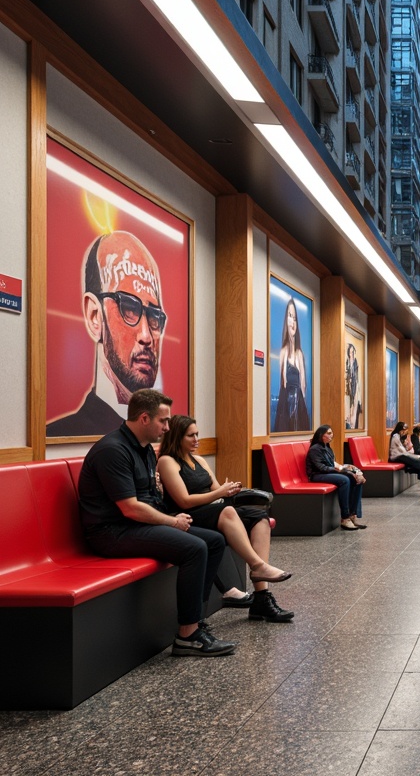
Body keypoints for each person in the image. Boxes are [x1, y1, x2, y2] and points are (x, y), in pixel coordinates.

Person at [77, 389, 235, 657]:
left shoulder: (146, 451)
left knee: (215, 540)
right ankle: (188, 636)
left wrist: (171, 515)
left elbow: (149, 498)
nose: (167, 426)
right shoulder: (113, 450)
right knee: (194, 548)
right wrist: (172, 522)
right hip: (112, 532)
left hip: (137, 526)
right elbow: (130, 508)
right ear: (144, 419)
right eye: (163, 421)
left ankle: (197, 619)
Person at [159, 415, 294, 622]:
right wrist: (219, 493)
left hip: (214, 511)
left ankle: (261, 598)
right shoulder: (167, 461)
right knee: (229, 513)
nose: (196, 440)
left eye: (197, 434)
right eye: (190, 436)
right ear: (177, 437)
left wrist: (228, 490)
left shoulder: (199, 460)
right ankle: (258, 566)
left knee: (260, 518)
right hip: (188, 515)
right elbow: (184, 500)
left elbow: (215, 489)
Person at [48, 231, 166, 438]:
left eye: (155, 317)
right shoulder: (65, 433)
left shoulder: (160, 435)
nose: (146, 336)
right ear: (95, 316)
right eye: (129, 308)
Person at [306, 424, 367, 530]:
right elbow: (321, 467)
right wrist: (339, 469)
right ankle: (345, 517)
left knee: (356, 479)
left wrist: (344, 467)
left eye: (331, 433)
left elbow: (332, 463)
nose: (331, 435)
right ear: (321, 435)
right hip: (317, 475)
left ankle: (352, 515)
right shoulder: (315, 449)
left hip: (327, 473)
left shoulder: (327, 447)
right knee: (345, 480)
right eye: (328, 433)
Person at [274, 297, 310, 431]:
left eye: (295, 317)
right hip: (285, 402)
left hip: (298, 402)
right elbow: (282, 383)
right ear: (286, 320)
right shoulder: (283, 352)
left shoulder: (300, 353)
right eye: (290, 316)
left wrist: (302, 407)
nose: (293, 321)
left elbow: (303, 384)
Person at [345, 341, 362, 429]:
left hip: (355, 390)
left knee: (354, 410)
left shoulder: (356, 364)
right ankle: (349, 426)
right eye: (350, 352)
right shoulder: (347, 363)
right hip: (349, 391)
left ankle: (352, 426)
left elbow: (357, 380)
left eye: (353, 352)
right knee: (348, 412)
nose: (352, 354)